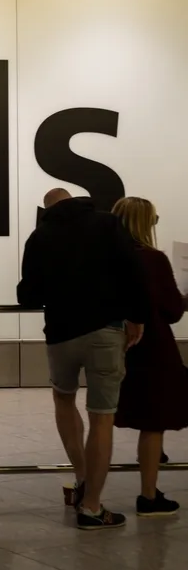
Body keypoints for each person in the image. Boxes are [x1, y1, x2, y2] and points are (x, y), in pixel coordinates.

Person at [17, 188, 150, 530]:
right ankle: (92, 506)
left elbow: (27, 294)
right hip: (106, 330)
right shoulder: (107, 224)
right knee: (101, 417)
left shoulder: (39, 236)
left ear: (47, 209)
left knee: (63, 399)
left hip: (61, 334)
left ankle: (81, 478)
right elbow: (134, 272)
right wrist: (136, 316)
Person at [111, 197, 188, 516]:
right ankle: (148, 495)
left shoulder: (106, 258)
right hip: (154, 346)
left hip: (114, 346)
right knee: (154, 422)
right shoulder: (153, 259)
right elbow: (171, 310)